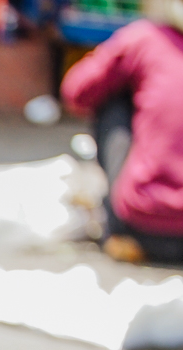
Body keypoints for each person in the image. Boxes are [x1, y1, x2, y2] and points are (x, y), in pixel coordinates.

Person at [61, 0, 183, 265]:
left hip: (147, 226)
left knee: (113, 98)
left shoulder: (144, 39)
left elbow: (77, 92)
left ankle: (119, 230)